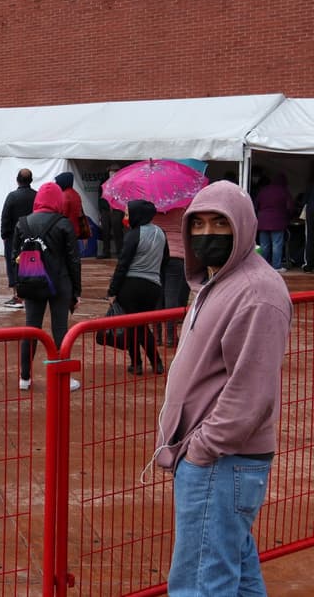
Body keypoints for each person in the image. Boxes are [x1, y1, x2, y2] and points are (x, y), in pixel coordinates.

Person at [152, 180, 292, 595]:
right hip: (215, 460)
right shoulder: (217, 282)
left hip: (221, 460)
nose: (207, 234)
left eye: (220, 223)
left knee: (200, 584)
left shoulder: (257, 292)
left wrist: (201, 450)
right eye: (199, 223)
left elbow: (250, 392)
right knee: (236, 572)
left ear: (243, 227)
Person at [14, 182, 82, 392]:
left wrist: (18, 285)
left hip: (32, 279)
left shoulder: (22, 223)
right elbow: (73, 260)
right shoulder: (64, 224)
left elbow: (15, 255)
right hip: (60, 282)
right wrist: (76, 291)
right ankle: (63, 377)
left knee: (31, 329)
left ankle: (24, 377)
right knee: (60, 328)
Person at [105, 200, 168, 375]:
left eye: (127, 214)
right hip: (153, 286)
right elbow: (165, 261)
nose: (125, 218)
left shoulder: (133, 235)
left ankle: (145, 363)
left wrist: (112, 290)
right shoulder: (161, 233)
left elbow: (122, 265)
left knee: (134, 325)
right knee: (138, 324)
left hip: (131, 286)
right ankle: (146, 363)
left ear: (136, 215)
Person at [0, 168, 37, 309]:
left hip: (14, 237)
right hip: (33, 236)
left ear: (17, 180)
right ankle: (30, 294)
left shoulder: (12, 196)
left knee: (14, 264)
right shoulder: (36, 196)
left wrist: (4, 234)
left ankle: (17, 295)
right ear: (31, 180)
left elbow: (5, 216)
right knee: (32, 263)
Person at [151, 207, 188, 346]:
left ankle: (156, 336)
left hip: (156, 254)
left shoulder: (152, 208)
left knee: (156, 296)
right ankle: (171, 336)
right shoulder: (182, 208)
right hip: (177, 255)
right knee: (172, 296)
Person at [255, 173, 294, 273]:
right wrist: (289, 216)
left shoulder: (264, 190)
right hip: (278, 222)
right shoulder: (284, 191)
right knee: (277, 245)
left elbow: (256, 204)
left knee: (264, 245)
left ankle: (263, 266)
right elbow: (290, 207)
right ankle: (276, 266)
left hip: (263, 222)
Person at [97, 164, 124, 259]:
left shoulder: (122, 181)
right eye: (111, 170)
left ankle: (120, 251)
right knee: (105, 231)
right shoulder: (103, 181)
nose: (113, 172)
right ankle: (106, 252)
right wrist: (101, 210)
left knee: (118, 231)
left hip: (117, 209)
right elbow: (99, 197)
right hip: (105, 209)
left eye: (115, 170)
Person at [54, 172, 90, 241]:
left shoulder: (65, 195)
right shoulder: (75, 194)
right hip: (75, 229)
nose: (57, 184)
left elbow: (63, 215)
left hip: (66, 230)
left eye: (58, 182)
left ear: (63, 182)